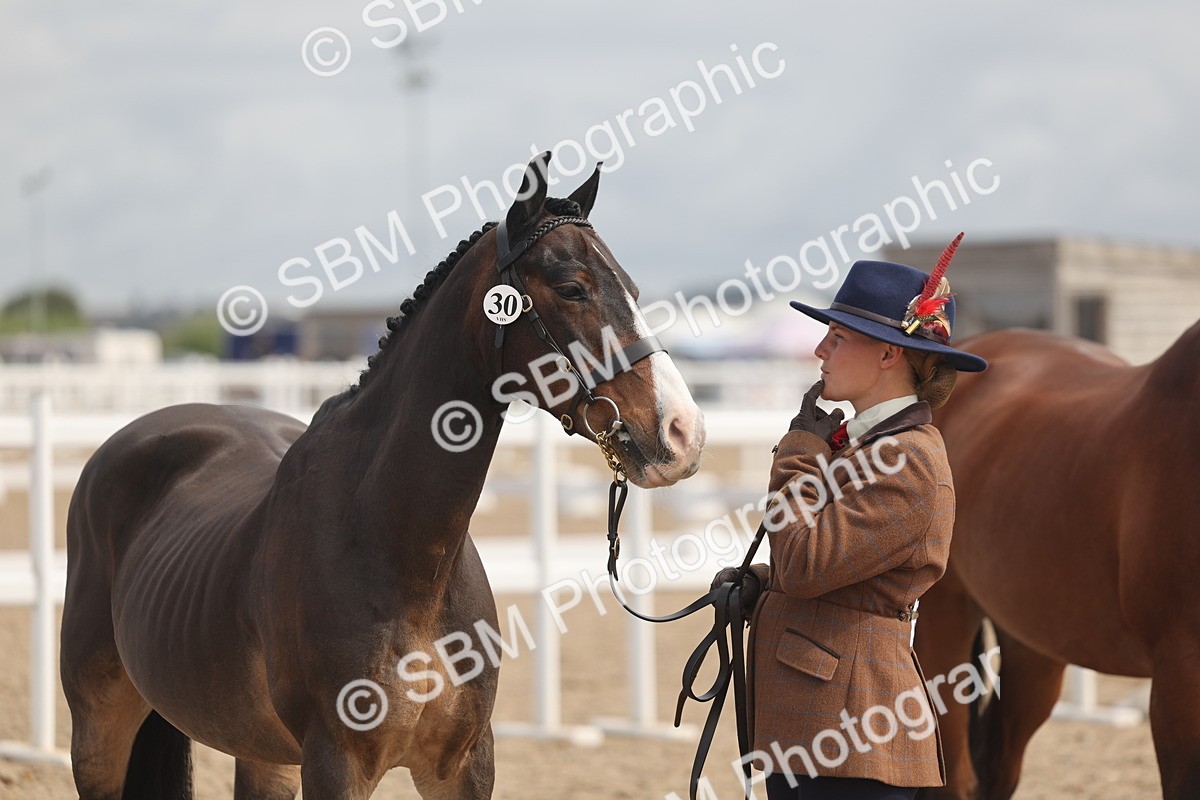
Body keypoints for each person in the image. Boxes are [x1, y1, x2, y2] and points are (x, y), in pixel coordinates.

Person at [712, 234, 988, 800]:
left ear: (890, 354)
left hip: (853, 739)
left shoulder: (907, 462)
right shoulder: (865, 445)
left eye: (837, 339)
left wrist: (796, 454)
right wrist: (761, 585)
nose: (820, 351)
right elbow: (846, 575)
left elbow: (809, 564)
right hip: (819, 727)